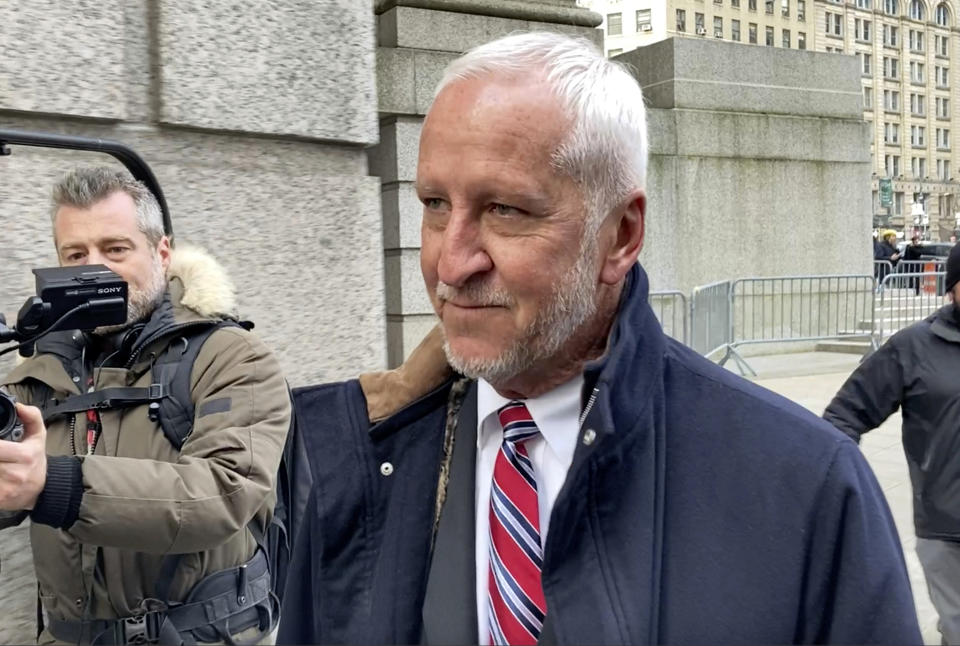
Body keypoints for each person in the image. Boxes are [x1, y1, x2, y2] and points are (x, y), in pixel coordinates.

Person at [278, 32, 921, 645]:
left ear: (620, 235)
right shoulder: (355, 463)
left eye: (505, 209)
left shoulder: (806, 491)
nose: (451, 264)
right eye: (435, 205)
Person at [0, 167, 291, 644]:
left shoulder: (231, 357)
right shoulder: (40, 372)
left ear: (161, 253)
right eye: (75, 254)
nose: (94, 269)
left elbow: (224, 492)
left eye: (115, 249)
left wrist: (52, 484)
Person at [824, 242, 960, 645]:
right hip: (946, 527)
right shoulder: (913, 348)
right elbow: (843, 417)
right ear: (952, 287)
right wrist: (844, 487)